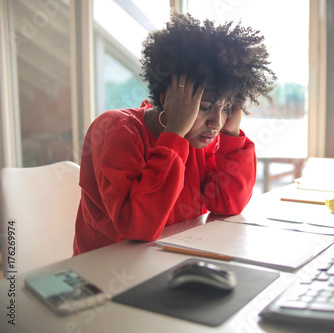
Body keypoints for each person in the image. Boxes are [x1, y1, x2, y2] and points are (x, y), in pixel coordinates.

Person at [73, 12, 276, 255]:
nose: (216, 123)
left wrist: (231, 133)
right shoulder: (116, 130)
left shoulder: (202, 138)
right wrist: (175, 134)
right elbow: (137, 227)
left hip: (172, 263)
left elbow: (227, 206)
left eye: (226, 109)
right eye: (204, 107)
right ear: (167, 98)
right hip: (107, 274)